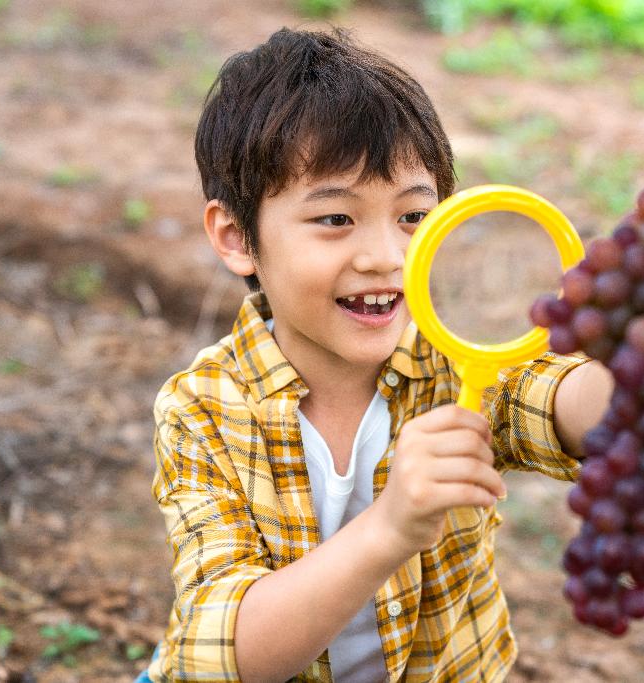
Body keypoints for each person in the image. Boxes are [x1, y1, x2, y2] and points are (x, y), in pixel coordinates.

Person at [138, 26, 613, 683]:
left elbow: (578, 408)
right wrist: (389, 528)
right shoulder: (203, 410)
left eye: (414, 217)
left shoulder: (456, 362)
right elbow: (229, 657)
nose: (387, 258)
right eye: (336, 219)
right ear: (236, 236)